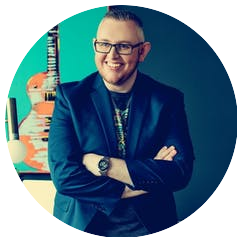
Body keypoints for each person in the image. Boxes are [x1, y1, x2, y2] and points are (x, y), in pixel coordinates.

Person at [48, 8, 194, 237]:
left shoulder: (167, 100)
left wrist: (102, 164)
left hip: (150, 227)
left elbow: (179, 172)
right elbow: (65, 178)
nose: (112, 56)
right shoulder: (69, 98)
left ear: (142, 51)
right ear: (95, 44)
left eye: (124, 46)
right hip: (81, 225)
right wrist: (133, 185)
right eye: (104, 44)